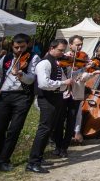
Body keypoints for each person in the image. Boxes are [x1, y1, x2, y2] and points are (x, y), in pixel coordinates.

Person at [0, 34, 38, 172]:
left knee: (14, 130)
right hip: (4, 95)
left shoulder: (33, 57)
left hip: (23, 96)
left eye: (22, 47)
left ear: (28, 45)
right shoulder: (6, 58)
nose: (19, 50)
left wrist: (21, 74)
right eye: (16, 47)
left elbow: (32, 79)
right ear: (12, 46)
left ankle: (3, 160)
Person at [26, 39, 71, 173]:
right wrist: (62, 83)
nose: (62, 53)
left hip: (56, 98)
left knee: (49, 129)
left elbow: (62, 79)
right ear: (52, 48)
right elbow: (43, 84)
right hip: (47, 99)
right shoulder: (45, 63)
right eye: (60, 50)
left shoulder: (56, 62)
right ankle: (33, 162)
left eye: (63, 50)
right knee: (44, 129)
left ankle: (38, 157)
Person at [56, 35, 93, 157]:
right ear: (70, 45)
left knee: (72, 119)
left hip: (76, 92)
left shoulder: (83, 57)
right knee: (60, 119)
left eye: (81, 44)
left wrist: (87, 71)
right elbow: (61, 72)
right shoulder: (63, 57)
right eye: (77, 44)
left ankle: (64, 147)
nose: (80, 46)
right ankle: (58, 144)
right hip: (63, 92)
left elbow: (86, 76)